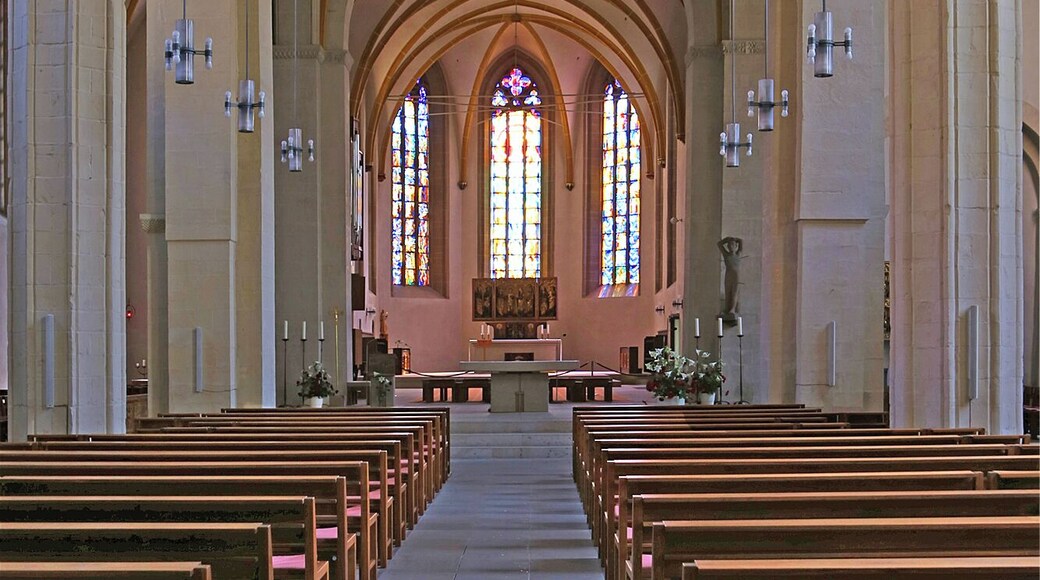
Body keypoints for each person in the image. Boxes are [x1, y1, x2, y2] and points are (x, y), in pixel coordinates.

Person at [718, 236, 743, 319]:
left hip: (736, 275)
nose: (730, 246)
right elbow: (719, 244)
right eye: (729, 245)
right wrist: (727, 239)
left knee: (734, 292)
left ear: (736, 246)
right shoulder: (726, 255)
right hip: (728, 274)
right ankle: (727, 308)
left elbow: (741, 241)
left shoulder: (738, 254)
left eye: (732, 245)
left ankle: (732, 309)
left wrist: (736, 239)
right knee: (728, 291)